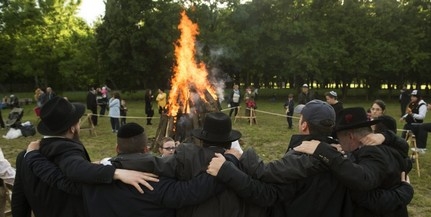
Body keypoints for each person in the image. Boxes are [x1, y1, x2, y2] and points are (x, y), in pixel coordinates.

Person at [207, 101, 412, 217]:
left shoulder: (306, 157)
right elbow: (401, 161)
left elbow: (266, 192)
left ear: (303, 125)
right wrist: (404, 191)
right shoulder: (345, 155)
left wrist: (235, 162)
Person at [12, 96, 158, 217]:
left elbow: (19, 201)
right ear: (72, 128)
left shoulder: (24, 156)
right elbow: (75, 168)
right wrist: (116, 172)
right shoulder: (67, 150)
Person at [82, 123, 223, 217]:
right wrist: (224, 167)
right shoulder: (153, 181)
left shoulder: (92, 178)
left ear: (117, 149)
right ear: (146, 149)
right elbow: (193, 190)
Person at [294, 107, 411, 217]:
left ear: (350, 136)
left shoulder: (371, 153)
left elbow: (364, 189)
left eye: (339, 138)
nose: (338, 142)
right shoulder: (388, 147)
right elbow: (404, 149)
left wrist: (324, 151)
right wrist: (386, 136)